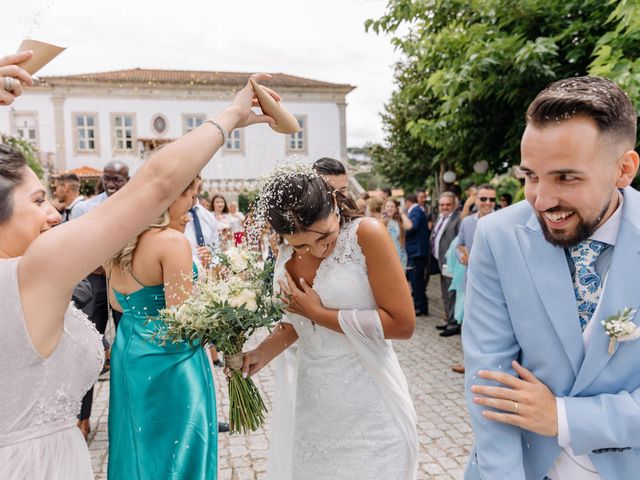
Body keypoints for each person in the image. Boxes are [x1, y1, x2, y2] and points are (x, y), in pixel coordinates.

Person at [0, 69, 277, 479]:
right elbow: (156, 182)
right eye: (39, 199)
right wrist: (232, 115)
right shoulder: (31, 273)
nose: (54, 213)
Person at [463, 76, 640, 480]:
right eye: (531, 176)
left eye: (566, 178)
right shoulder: (497, 236)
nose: (541, 200)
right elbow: (490, 382)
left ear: (623, 169)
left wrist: (563, 417)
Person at [241, 166, 418, 480]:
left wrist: (319, 314)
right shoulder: (283, 249)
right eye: (300, 245)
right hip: (315, 401)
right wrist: (260, 353)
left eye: (324, 235)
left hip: (368, 395)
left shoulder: (366, 234)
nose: (318, 249)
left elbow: (402, 324)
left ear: (335, 205)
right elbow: (297, 320)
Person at [106, 178, 219, 479]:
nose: (194, 206)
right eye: (191, 196)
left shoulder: (123, 239)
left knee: (138, 444)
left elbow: (117, 304)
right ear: (168, 198)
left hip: (129, 350)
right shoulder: (171, 242)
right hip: (172, 358)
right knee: (180, 449)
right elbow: (182, 321)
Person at [443, 184, 496, 339]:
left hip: (493, 282)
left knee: (490, 324)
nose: (488, 202)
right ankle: (470, 361)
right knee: (470, 321)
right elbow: (458, 244)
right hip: (470, 279)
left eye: (492, 199)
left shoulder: (502, 219)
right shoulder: (467, 222)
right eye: (483, 198)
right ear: (476, 200)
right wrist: (462, 257)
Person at [430, 192, 461, 332]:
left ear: (454, 205)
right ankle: (449, 319)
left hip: (451, 263)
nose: (445, 207)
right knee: (445, 293)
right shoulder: (440, 217)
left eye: (448, 204)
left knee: (451, 292)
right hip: (440, 261)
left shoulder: (458, 219)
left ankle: (454, 323)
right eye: (442, 204)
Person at [404, 193, 430, 316]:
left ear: (407, 202)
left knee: (416, 281)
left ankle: (420, 307)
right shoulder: (418, 210)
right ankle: (420, 305)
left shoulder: (415, 211)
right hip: (417, 252)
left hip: (417, 253)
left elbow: (411, 228)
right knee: (417, 281)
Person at [383, 198, 412, 271]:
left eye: (392, 206)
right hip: (385, 256)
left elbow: (409, 226)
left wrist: (402, 213)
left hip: (400, 256)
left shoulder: (399, 221)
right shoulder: (380, 221)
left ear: (396, 208)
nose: (389, 208)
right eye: (387, 206)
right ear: (384, 208)